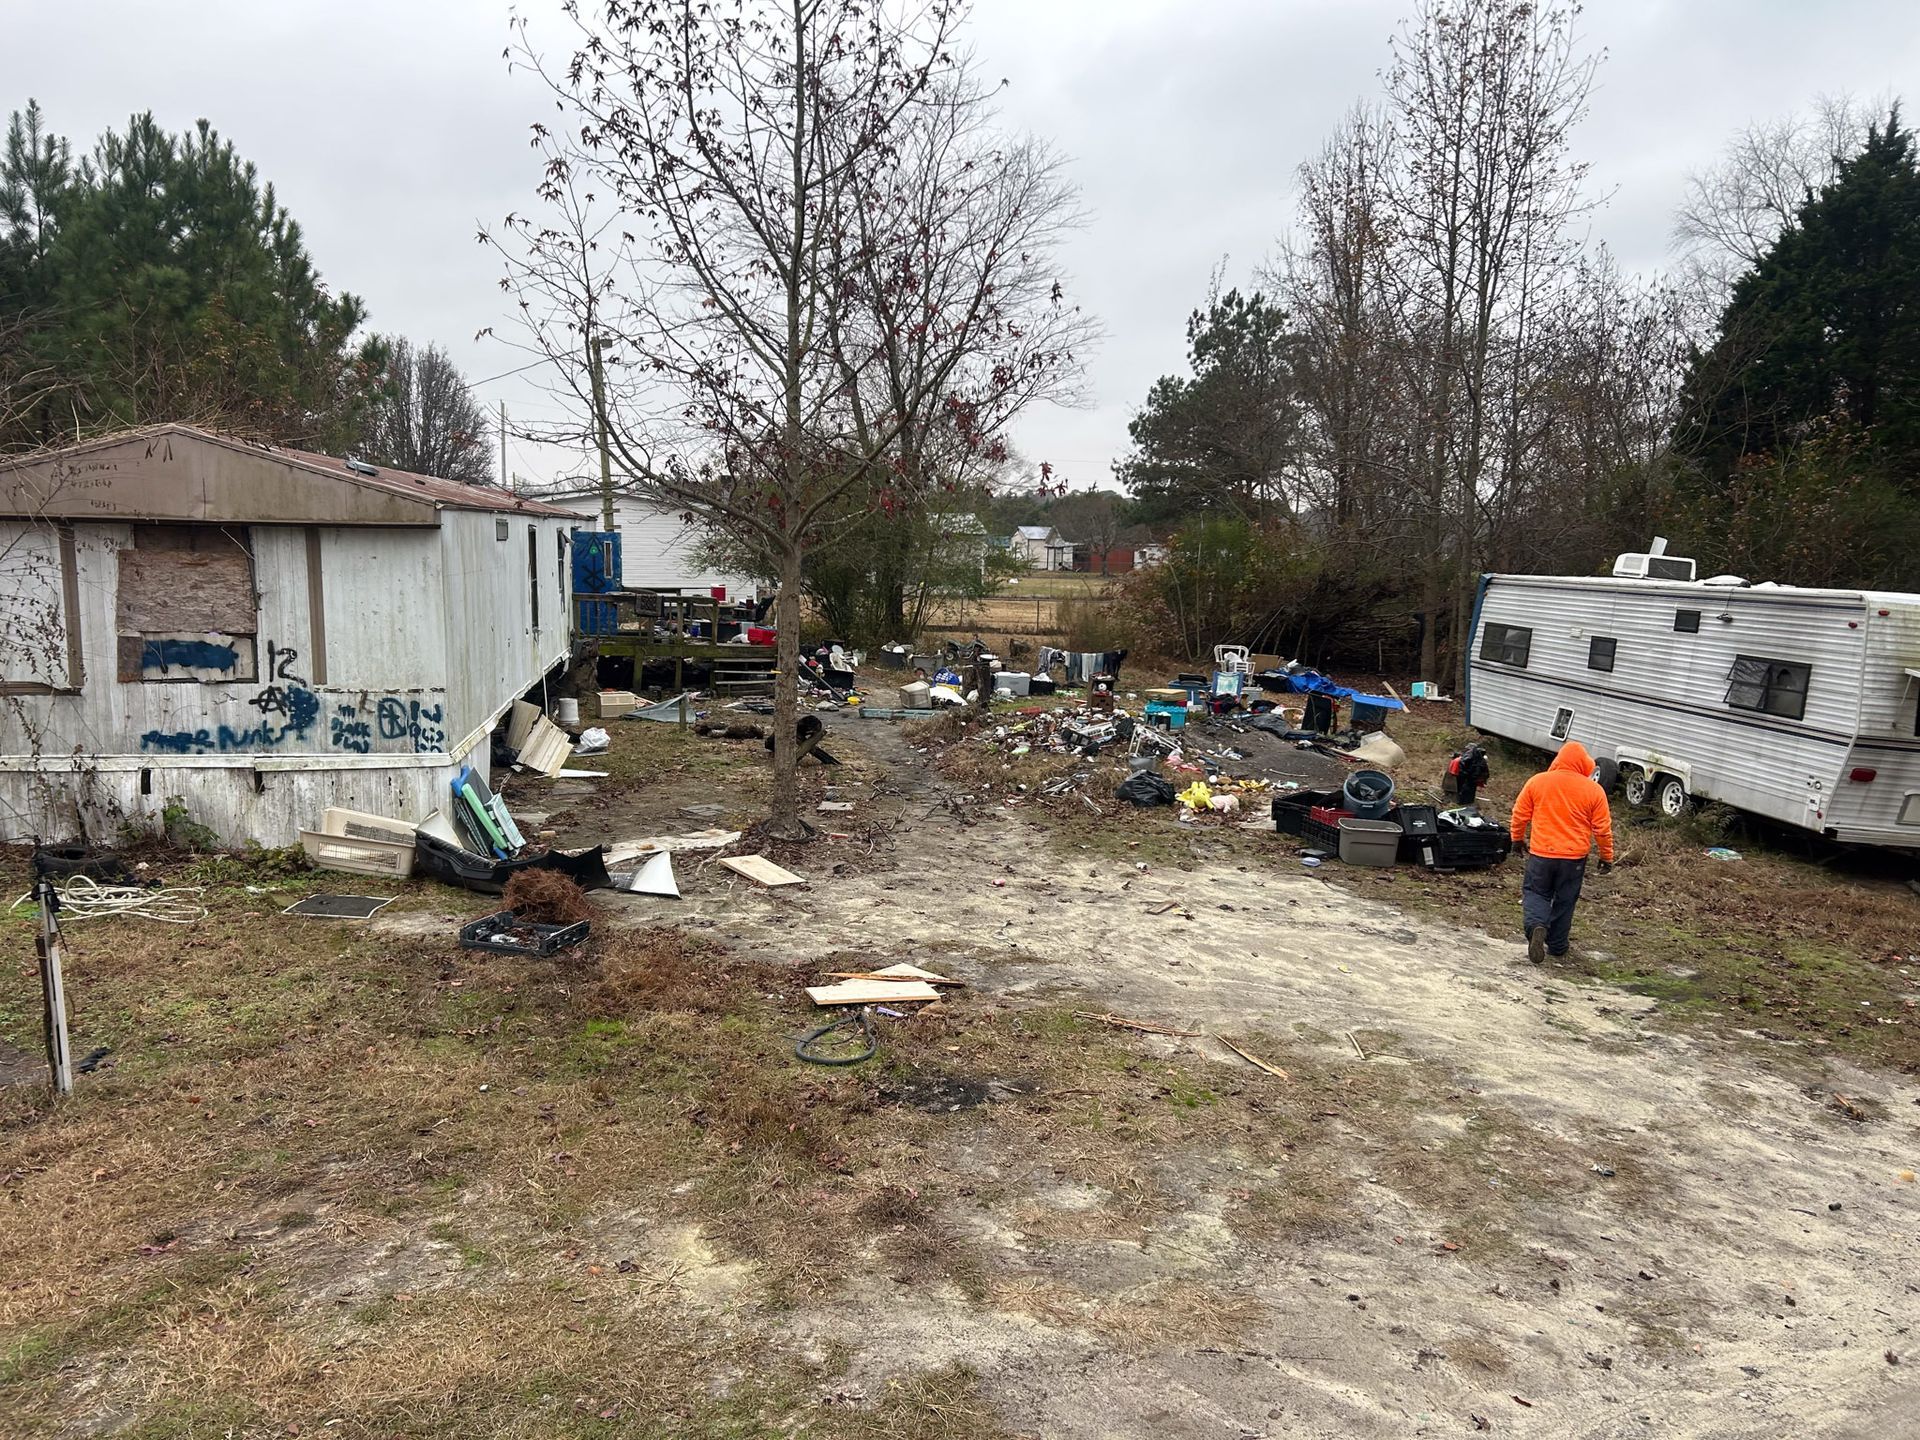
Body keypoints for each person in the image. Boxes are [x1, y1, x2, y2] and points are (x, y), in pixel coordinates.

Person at [1509, 739, 1615, 964]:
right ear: (1584, 765)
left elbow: (1519, 813)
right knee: (1565, 900)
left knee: (1536, 893)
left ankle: (1537, 926)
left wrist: (1517, 839)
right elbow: (1602, 829)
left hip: (1541, 853)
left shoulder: (1537, 782)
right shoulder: (1594, 790)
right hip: (1574, 858)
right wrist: (1607, 856)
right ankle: (1557, 945)